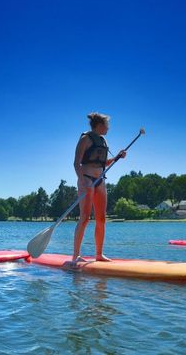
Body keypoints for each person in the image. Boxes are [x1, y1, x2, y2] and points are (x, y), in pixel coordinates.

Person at [72, 113, 126, 264]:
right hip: (86, 180)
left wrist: (116, 158)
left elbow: (103, 163)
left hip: (100, 181)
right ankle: (75, 256)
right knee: (85, 218)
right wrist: (82, 181)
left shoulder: (103, 140)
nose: (108, 128)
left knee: (101, 219)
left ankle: (99, 254)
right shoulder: (85, 139)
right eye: (106, 125)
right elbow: (76, 163)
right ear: (99, 125)